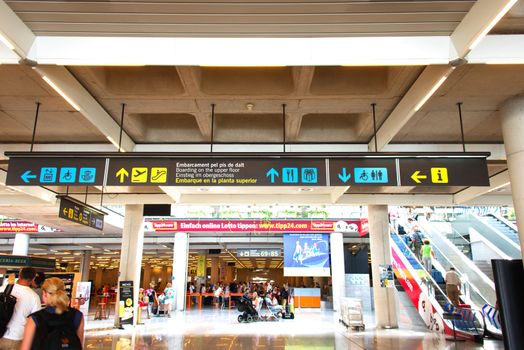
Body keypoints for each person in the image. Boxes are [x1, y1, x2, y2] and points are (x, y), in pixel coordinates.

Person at [20, 277, 84, 350]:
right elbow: (79, 344)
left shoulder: (35, 318)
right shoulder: (77, 315)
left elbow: (25, 348)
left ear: (44, 294)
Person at [0, 267, 41, 349]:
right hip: (17, 337)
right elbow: (35, 320)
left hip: (1, 333)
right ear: (33, 278)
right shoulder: (34, 297)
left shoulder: (3, 288)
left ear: (19, 275)